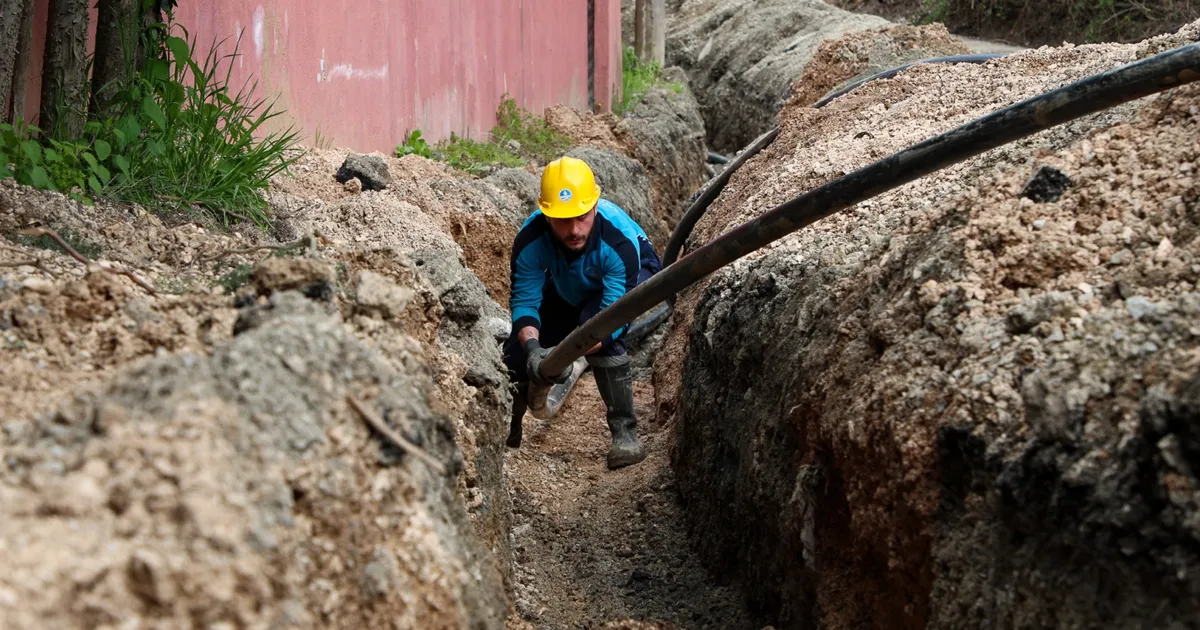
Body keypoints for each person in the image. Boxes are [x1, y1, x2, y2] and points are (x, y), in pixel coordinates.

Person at [503, 155, 661, 469]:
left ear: (595, 207)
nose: (574, 229)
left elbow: (612, 318)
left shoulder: (618, 242)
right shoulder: (531, 240)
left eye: (582, 217)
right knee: (516, 351)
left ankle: (625, 433)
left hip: (630, 275)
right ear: (546, 215)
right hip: (572, 276)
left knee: (600, 332)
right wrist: (534, 350)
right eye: (563, 220)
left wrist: (564, 355)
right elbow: (525, 301)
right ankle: (507, 425)